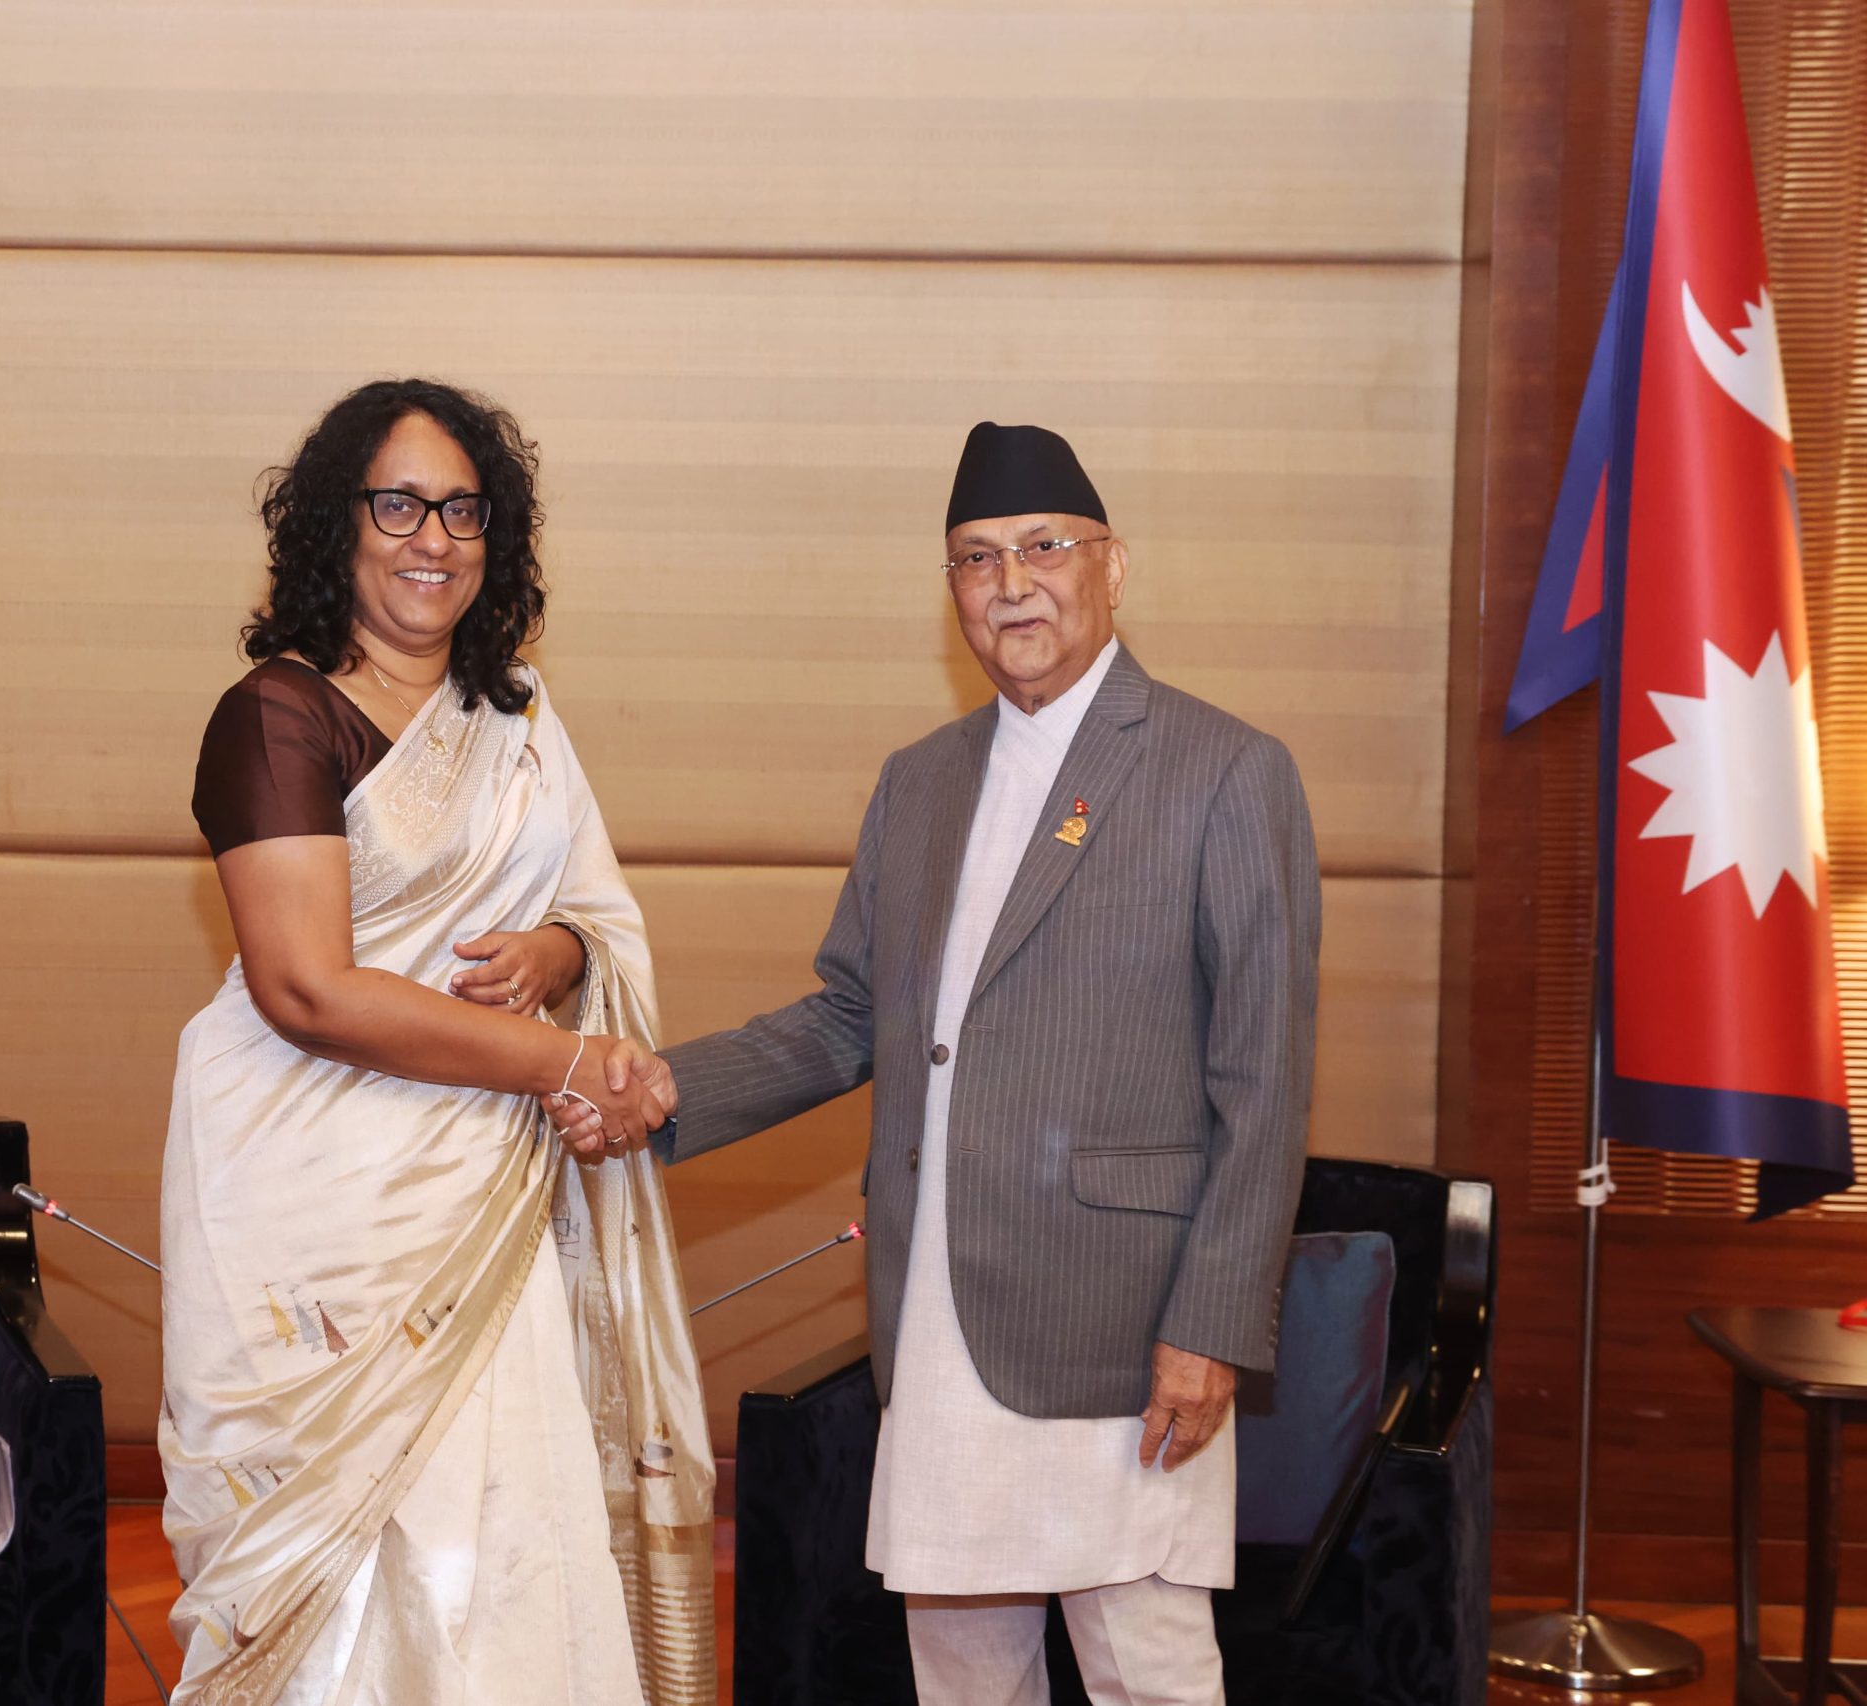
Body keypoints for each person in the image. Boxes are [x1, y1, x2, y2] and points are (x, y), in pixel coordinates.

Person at [553, 424, 1319, 1706]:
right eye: (975, 557)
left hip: (1120, 1317)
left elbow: (1265, 1082)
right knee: (963, 1665)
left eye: (1042, 547)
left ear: (1112, 565)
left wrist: (1210, 1322)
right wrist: (669, 1086)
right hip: (939, 1305)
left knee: (1146, 1665)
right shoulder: (920, 782)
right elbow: (850, 1015)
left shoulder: (1224, 769)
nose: (1011, 583)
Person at [159, 377, 712, 1706]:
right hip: (312, 1197)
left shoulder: (515, 716)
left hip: (484, 1196)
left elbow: (591, 913)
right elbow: (307, 990)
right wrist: (569, 1063)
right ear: (337, 525)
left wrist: (558, 957)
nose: (434, 538)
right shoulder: (277, 713)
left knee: (504, 1534)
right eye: (399, 504)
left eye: (464, 510)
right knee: (348, 1556)